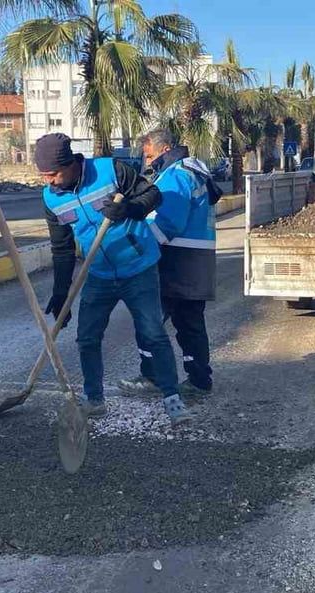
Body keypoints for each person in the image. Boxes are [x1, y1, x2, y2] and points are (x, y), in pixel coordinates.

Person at [36, 133, 193, 425]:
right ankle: (93, 398)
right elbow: (61, 248)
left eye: (53, 174)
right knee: (87, 337)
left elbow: (153, 195)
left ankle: (173, 398)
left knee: (153, 333)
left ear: (70, 164)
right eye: (44, 176)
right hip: (98, 274)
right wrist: (61, 293)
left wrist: (129, 209)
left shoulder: (111, 170)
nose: (50, 181)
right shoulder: (50, 198)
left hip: (138, 267)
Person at [117, 129, 221, 399]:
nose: (146, 157)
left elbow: (168, 222)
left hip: (176, 260)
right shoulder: (193, 171)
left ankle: (152, 376)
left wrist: (138, 247)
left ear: (163, 148)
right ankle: (199, 380)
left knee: (149, 319)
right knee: (190, 323)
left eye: (147, 151)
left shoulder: (175, 175)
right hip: (196, 259)